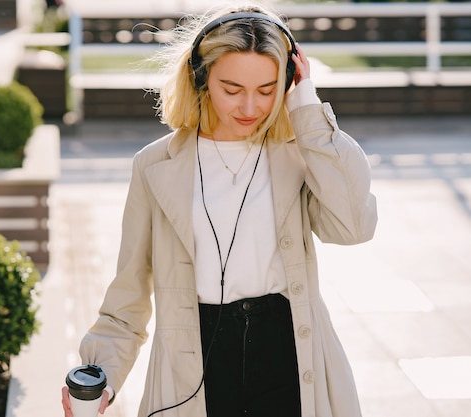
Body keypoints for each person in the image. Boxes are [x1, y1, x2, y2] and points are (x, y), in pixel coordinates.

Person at [62, 3, 377, 417]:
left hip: (289, 354)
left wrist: (308, 109)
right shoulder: (154, 167)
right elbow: (128, 296)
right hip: (195, 360)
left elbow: (353, 226)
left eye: (267, 90)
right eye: (232, 89)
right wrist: (101, 372)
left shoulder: (300, 157)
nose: (250, 108)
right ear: (200, 79)